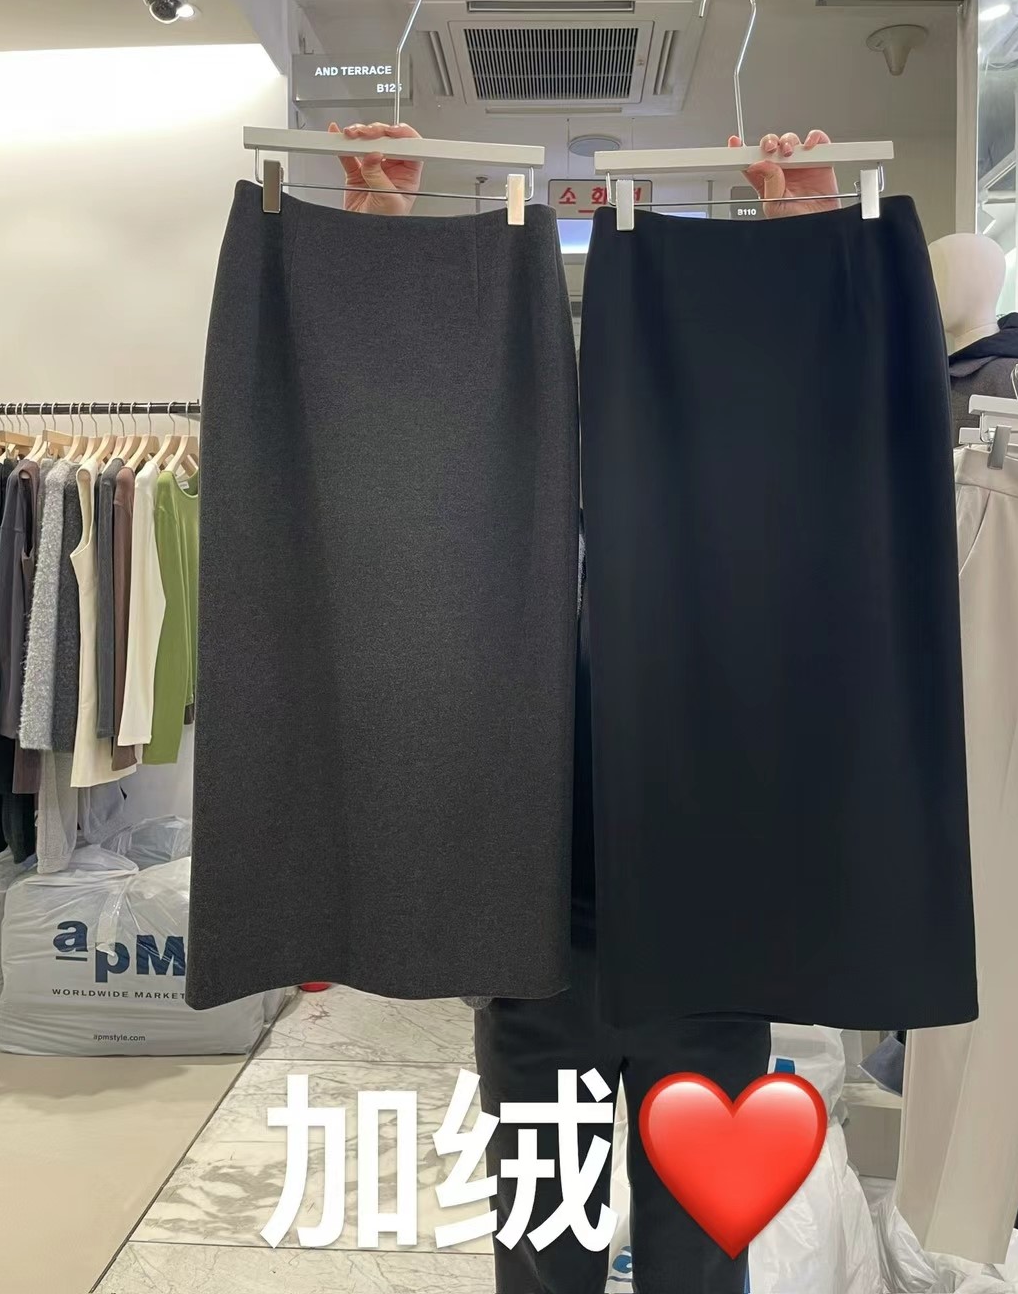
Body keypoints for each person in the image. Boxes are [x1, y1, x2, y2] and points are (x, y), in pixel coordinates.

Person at [333, 119, 839, 1294]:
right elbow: (392, 453)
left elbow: (814, 455)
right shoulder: (492, 529)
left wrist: (802, 251)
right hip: (541, 950)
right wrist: (381, 245)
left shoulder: (729, 520)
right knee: (544, 1252)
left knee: (698, 1260)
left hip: (707, 952)